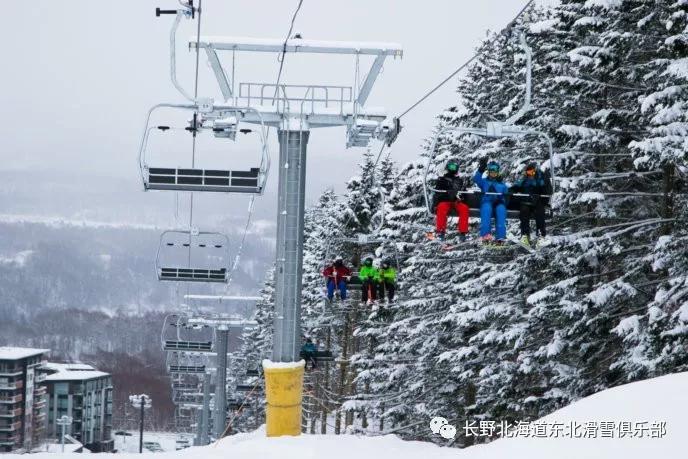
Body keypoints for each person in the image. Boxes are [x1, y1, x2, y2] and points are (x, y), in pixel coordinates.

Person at [510, 163, 552, 247]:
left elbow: (548, 191)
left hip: (537, 201)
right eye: (528, 173)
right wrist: (510, 191)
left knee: (539, 212)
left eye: (532, 173)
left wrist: (546, 181)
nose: (530, 175)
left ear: (535, 172)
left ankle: (541, 236)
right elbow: (516, 187)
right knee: (524, 212)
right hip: (526, 201)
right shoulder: (524, 180)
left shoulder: (540, 179)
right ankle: (525, 236)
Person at [432, 160, 469, 242]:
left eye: (454, 167)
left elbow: (463, 192)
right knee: (441, 208)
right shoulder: (442, 180)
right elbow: (437, 191)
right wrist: (446, 193)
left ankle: (462, 232)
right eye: (451, 167)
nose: (452, 169)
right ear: (447, 168)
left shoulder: (459, 181)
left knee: (464, 208)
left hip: (456, 201)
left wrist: (461, 197)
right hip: (445, 201)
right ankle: (441, 232)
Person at [473, 158, 509, 244]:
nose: (493, 172)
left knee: (501, 210)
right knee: (486, 209)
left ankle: (500, 237)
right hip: (487, 201)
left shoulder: (501, 184)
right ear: (488, 171)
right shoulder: (484, 182)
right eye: (491, 170)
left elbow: (507, 195)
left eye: (495, 170)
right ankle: (486, 235)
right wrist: (481, 168)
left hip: (498, 203)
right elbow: (476, 179)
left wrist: (503, 201)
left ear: (498, 171)